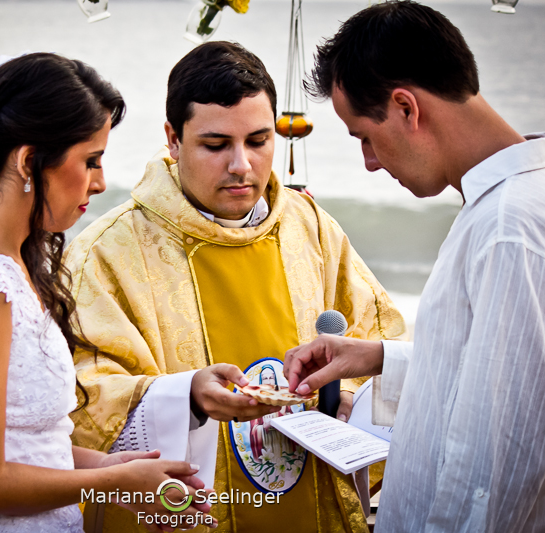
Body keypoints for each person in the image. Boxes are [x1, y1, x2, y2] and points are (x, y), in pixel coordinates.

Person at [64, 41, 406, 532]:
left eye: (259, 140)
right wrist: (186, 398)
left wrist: (348, 392)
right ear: (173, 139)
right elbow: (78, 399)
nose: (242, 165)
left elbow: (377, 334)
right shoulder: (106, 253)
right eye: (216, 144)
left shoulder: (311, 227)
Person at [283, 2, 545, 531]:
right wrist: (376, 356)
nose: (369, 162)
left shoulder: (512, 227)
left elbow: (496, 468)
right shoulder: (523, 198)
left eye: (364, 137)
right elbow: (491, 374)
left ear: (406, 108)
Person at [0, 53, 209, 533]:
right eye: (90, 160)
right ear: (27, 160)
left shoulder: (8, 261)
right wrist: (112, 485)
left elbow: (30, 445)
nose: (101, 182)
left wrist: (112, 470)